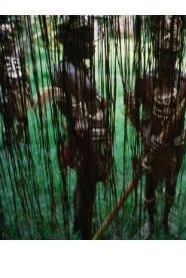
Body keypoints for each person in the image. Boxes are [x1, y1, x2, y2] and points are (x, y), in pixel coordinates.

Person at [126, 16, 186, 237]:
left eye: (172, 55)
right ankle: (151, 221)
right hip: (152, 143)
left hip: (176, 145)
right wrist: (146, 136)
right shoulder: (144, 79)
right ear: (156, 54)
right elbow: (133, 114)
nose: (167, 60)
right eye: (163, 55)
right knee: (150, 183)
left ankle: (165, 219)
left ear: (177, 55)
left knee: (171, 184)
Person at [52, 16, 112, 239]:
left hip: (94, 136)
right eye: (85, 40)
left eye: (91, 39)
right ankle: (86, 234)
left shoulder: (79, 67)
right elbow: (70, 112)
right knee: (88, 189)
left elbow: (86, 102)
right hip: (84, 141)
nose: (92, 45)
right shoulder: (64, 70)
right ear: (70, 40)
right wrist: (88, 147)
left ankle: (80, 223)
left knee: (86, 185)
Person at [0, 15, 32, 147]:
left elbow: (25, 73)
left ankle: (20, 138)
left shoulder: (19, 53)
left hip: (19, 90)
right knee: (9, 122)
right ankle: (9, 140)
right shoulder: (2, 56)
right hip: (8, 93)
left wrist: (27, 90)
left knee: (22, 120)